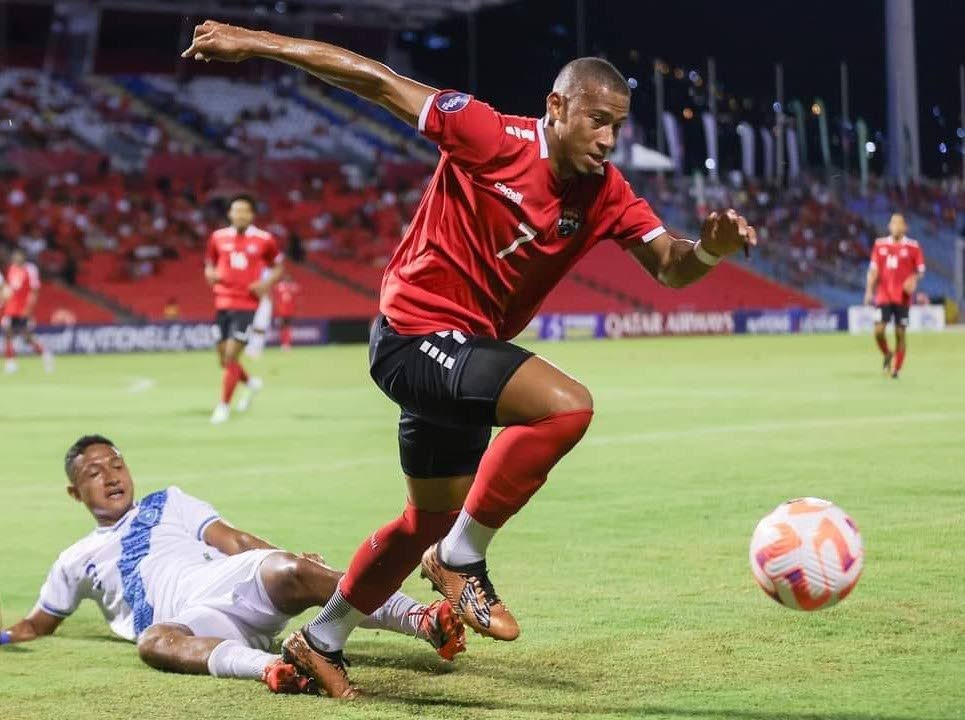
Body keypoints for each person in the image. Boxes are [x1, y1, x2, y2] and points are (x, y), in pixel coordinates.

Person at [183, 21, 757, 698]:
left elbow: (668, 265)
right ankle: (460, 557)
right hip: (412, 337)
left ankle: (322, 639)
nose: (607, 139)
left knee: (421, 517)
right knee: (565, 406)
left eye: (617, 126)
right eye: (596, 121)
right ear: (556, 108)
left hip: (460, 356)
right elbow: (372, 78)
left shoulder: (605, 193)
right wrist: (254, 42)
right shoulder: (486, 133)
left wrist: (710, 251)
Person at [0, 435, 465, 694]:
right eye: (93, 473)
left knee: (289, 571)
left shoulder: (169, 502)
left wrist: (284, 554)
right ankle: (274, 667)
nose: (111, 476)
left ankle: (421, 619)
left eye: (116, 464)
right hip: (188, 621)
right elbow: (37, 624)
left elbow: (235, 540)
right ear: (74, 493)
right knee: (153, 642)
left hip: (218, 579)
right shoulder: (74, 559)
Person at [205, 195, 283, 424]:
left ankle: (223, 407)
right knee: (223, 359)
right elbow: (209, 262)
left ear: (252, 214)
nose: (240, 215)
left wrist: (265, 284)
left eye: (244, 211)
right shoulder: (217, 238)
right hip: (222, 302)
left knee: (231, 356)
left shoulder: (264, 240)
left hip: (247, 304)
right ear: (229, 213)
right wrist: (209, 273)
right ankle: (250, 384)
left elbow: (277, 266)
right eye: (236, 211)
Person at [863, 213, 925, 379]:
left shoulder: (913, 246)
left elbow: (920, 270)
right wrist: (869, 290)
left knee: (900, 333)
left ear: (905, 227)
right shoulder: (879, 245)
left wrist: (913, 279)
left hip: (902, 297)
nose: (896, 226)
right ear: (889, 226)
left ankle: (897, 369)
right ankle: (887, 353)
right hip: (883, 295)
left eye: (899, 223)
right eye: (893, 223)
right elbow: (873, 270)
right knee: (878, 330)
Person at [2, 248, 54, 374]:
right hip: (11, 308)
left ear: (23, 257)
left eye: (18, 257)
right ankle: (11, 362)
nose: (16, 259)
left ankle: (45, 354)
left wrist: (29, 308)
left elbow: (34, 290)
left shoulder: (30, 269)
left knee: (26, 337)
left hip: (23, 308)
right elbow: (9, 289)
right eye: (14, 257)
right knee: (7, 333)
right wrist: (5, 298)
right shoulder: (11, 269)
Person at [273, 273, 300, 351]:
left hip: (288, 311)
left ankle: (286, 343)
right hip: (282, 311)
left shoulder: (291, 287)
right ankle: (284, 343)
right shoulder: (280, 287)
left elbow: (297, 299)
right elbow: (276, 299)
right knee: (284, 327)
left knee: (286, 327)